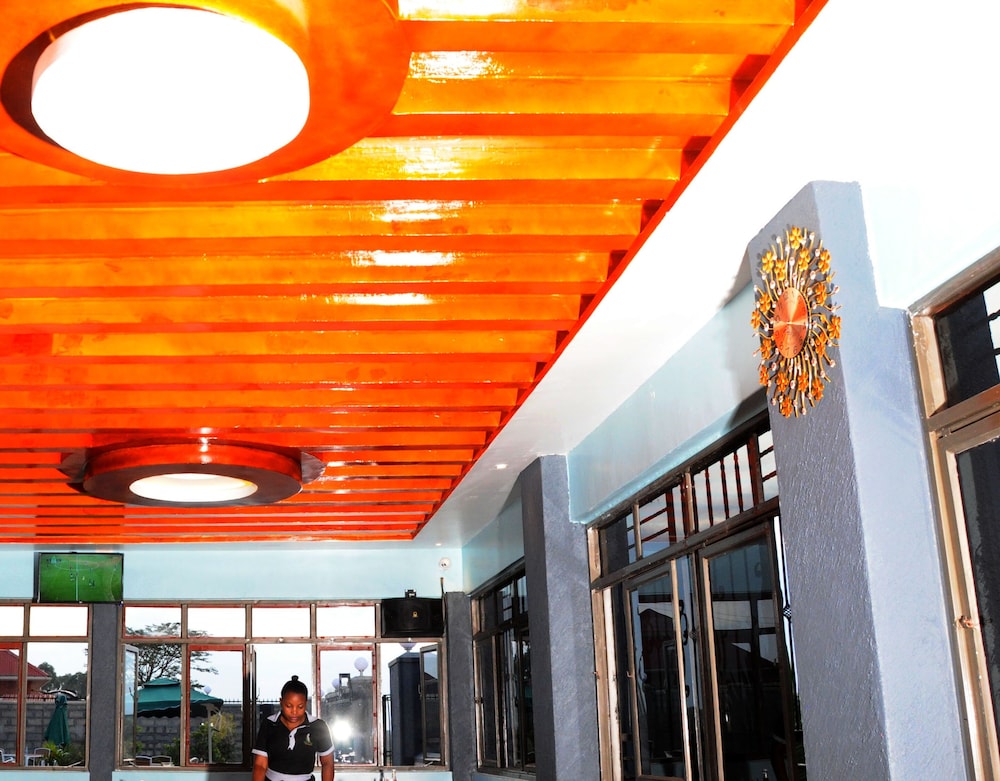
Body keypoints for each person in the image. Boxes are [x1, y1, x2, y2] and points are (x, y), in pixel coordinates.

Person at [252, 676, 334, 781]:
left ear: (306, 704)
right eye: (289, 706)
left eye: (300, 707)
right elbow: (260, 765)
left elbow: (327, 763)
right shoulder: (269, 724)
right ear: (281, 702)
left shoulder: (318, 726)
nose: (294, 712)